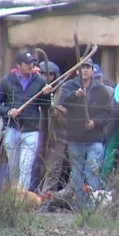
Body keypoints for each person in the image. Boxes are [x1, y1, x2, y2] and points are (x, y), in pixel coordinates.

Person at [0, 51, 53, 190]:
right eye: (27, 63)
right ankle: (14, 196)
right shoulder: (7, 80)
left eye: (32, 63)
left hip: (31, 130)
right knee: (14, 168)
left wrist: (47, 95)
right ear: (18, 65)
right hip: (12, 128)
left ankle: (22, 198)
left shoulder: (39, 81)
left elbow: (45, 107)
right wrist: (8, 112)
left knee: (26, 166)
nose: (30, 66)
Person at [62, 57, 111, 208]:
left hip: (94, 138)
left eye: (87, 67)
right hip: (75, 138)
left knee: (92, 171)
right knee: (76, 173)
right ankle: (79, 206)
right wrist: (75, 95)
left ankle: (93, 204)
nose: (84, 70)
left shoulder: (101, 90)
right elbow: (62, 101)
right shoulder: (70, 86)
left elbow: (108, 113)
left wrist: (94, 123)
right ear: (77, 70)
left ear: (92, 70)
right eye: (82, 67)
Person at [37, 61, 70, 196]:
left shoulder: (64, 89)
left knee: (53, 167)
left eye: (50, 74)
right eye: (43, 73)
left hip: (57, 135)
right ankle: (30, 196)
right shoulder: (34, 86)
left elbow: (68, 111)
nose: (47, 76)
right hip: (37, 133)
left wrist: (55, 109)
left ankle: (47, 197)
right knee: (35, 167)